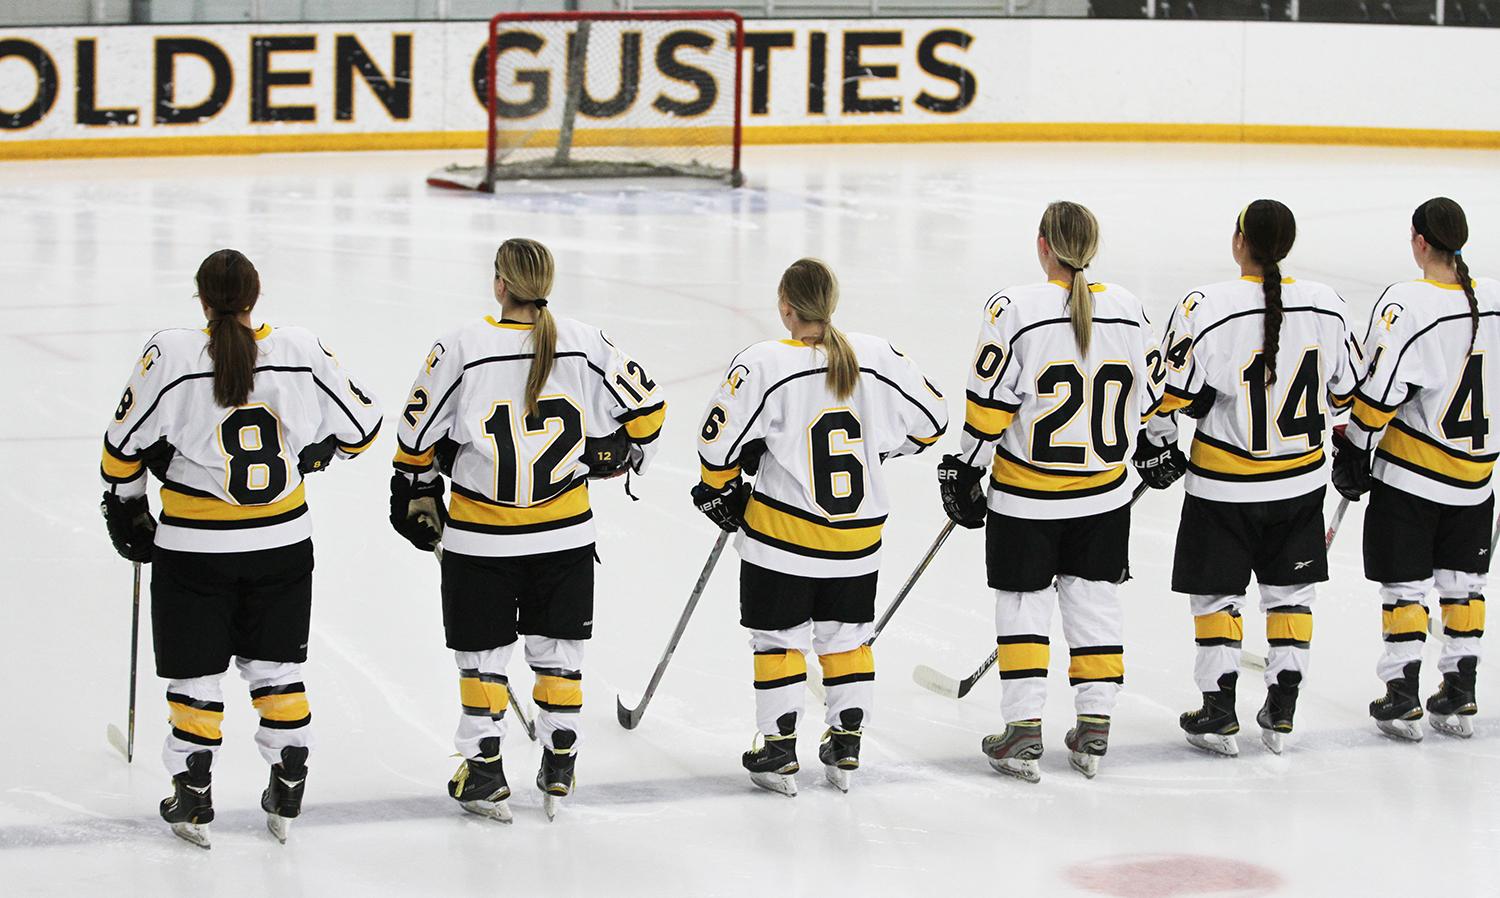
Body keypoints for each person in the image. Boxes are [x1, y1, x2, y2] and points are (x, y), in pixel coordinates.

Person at [100, 249, 383, 848]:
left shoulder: (173, 352)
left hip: (194, 550)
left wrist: (126, 503)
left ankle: (193, 790)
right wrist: (318, 452)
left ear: (200, 297)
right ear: (257, 294)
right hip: (282, 544)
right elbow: (365, 428)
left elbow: (121, 447)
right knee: (278, 670)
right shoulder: (301, 348)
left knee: (197, 674)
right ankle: (288, 777)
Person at [390, 238, 664, 823]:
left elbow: (414, 439)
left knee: (482, 657)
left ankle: (486, 770)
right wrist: (614, 450)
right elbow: (650, 412)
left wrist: (414, 487)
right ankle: (560, 757)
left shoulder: (462, 345)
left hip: (482, 538)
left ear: (499, 284)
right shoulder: (586, 341)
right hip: (564, 535)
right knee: (559, 653)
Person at [693, 258, 947, 796]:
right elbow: (933, 423)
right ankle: (847, 742)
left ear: (785, 305)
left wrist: (720, 487)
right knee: (848, 639)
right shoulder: (879, 355)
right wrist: (878, 448)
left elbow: (715, 449)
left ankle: (779, 749)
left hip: (781, 541)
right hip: (858, 541)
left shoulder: (763, 362)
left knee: (780, 641)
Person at [939, 201, 1164, 783]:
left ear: (1042, 244)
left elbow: (988, 405)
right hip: (1105, 500)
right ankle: (1095, 724)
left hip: (1027, 499)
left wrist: (961, 468)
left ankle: (1022, 730)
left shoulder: (1014, 308)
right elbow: (1151, 399)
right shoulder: (1131, 307)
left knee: (1022, 605)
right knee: (1095, 604)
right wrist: (1153, 445)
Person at [1137, 200, 1360, 757]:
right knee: (1291, 597)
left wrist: (1159, 445)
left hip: (1222, 490)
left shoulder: (1205, 306)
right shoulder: (1328, 304)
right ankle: (1282, 708)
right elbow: (1349, 391)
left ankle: (1218, 710)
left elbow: (1166, 393)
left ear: (1239, 240)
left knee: (1216, 599)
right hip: (1301, 485)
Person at [1333, 197, 1495, 741]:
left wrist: (1356, 448)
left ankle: (1402, 693)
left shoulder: (1409, 302)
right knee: (1463, 584)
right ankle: (1460, 689)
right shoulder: (1493, 297)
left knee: (1405, 587)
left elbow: (1380, 389)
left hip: (1413, 478)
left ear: (1419, 241)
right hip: (1478, 481)